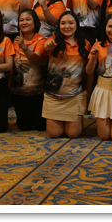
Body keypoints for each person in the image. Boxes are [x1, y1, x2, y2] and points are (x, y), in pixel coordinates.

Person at [21, 10, 90, 138]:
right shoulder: (52, 40)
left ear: (77, 25)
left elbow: (88, 72)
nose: (67, 26)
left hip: (74, 95)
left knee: (73, 134)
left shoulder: (85, 44)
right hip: (53, 95)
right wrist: (49, 47)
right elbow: (46, 47)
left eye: (71, 23)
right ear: (59, 26)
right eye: (63, 23)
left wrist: (88, 92)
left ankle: (77, 120)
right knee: (54, 133)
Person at [11, 9, 48, 131]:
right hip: (19, 91)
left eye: (28, 19)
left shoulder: (41, 40)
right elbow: (13, 66)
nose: (24, 22)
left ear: (35, 22)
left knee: (40, 126)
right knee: (23, 126)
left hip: (38, 91)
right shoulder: (15, 41)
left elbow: (35, 59)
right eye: (21, 20)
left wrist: (23, 46)